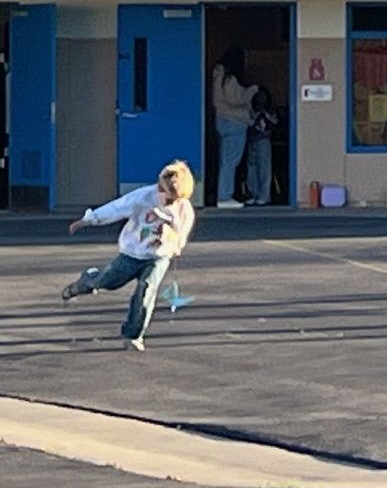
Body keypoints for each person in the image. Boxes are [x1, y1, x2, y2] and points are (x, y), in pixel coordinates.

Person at [59, 160, 198, 352]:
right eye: (168, 197)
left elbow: (180, 237)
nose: (171, 203)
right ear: (160, 187)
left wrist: (173, 242)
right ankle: (85, 282)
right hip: (132, 252)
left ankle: (132, 335)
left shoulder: (184, 209)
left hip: (158, 257)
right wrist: (87, 220)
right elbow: (116, 208)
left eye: (175, 199)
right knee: (107, 281)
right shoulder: (143, 197)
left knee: (146, 290)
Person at [211, 48, 255, 206]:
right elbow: (237, 101)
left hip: (222, 122)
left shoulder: (219, 76)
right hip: (235, 122)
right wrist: (251, 92)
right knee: (230, 162)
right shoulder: (231, 80)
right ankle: (224, 197)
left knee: (225, 161)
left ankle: (223, 195)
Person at [245, 84, 281, 207]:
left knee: (264, 169)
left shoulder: (270, 112)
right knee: (251, 169)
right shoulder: (250, 110)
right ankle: (253, 194)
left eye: (263, 97)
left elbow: (274, 124)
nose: (260, 99)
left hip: (264, 141)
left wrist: (264, 115)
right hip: (251, 140)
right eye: (258, 97)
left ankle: (264, 196)